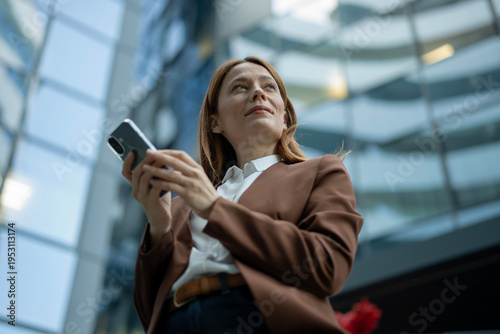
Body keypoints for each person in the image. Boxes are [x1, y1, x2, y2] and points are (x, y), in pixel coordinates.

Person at [121, 56, 363, 334]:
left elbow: (327, 265)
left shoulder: (319, 173)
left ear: (284, 117)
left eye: (269, 87)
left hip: (259, 318)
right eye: (240, 88)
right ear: (215, 123)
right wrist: (159, 227)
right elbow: (148, 311)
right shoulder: (180, 205)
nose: (258, 92)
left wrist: (214, 209)